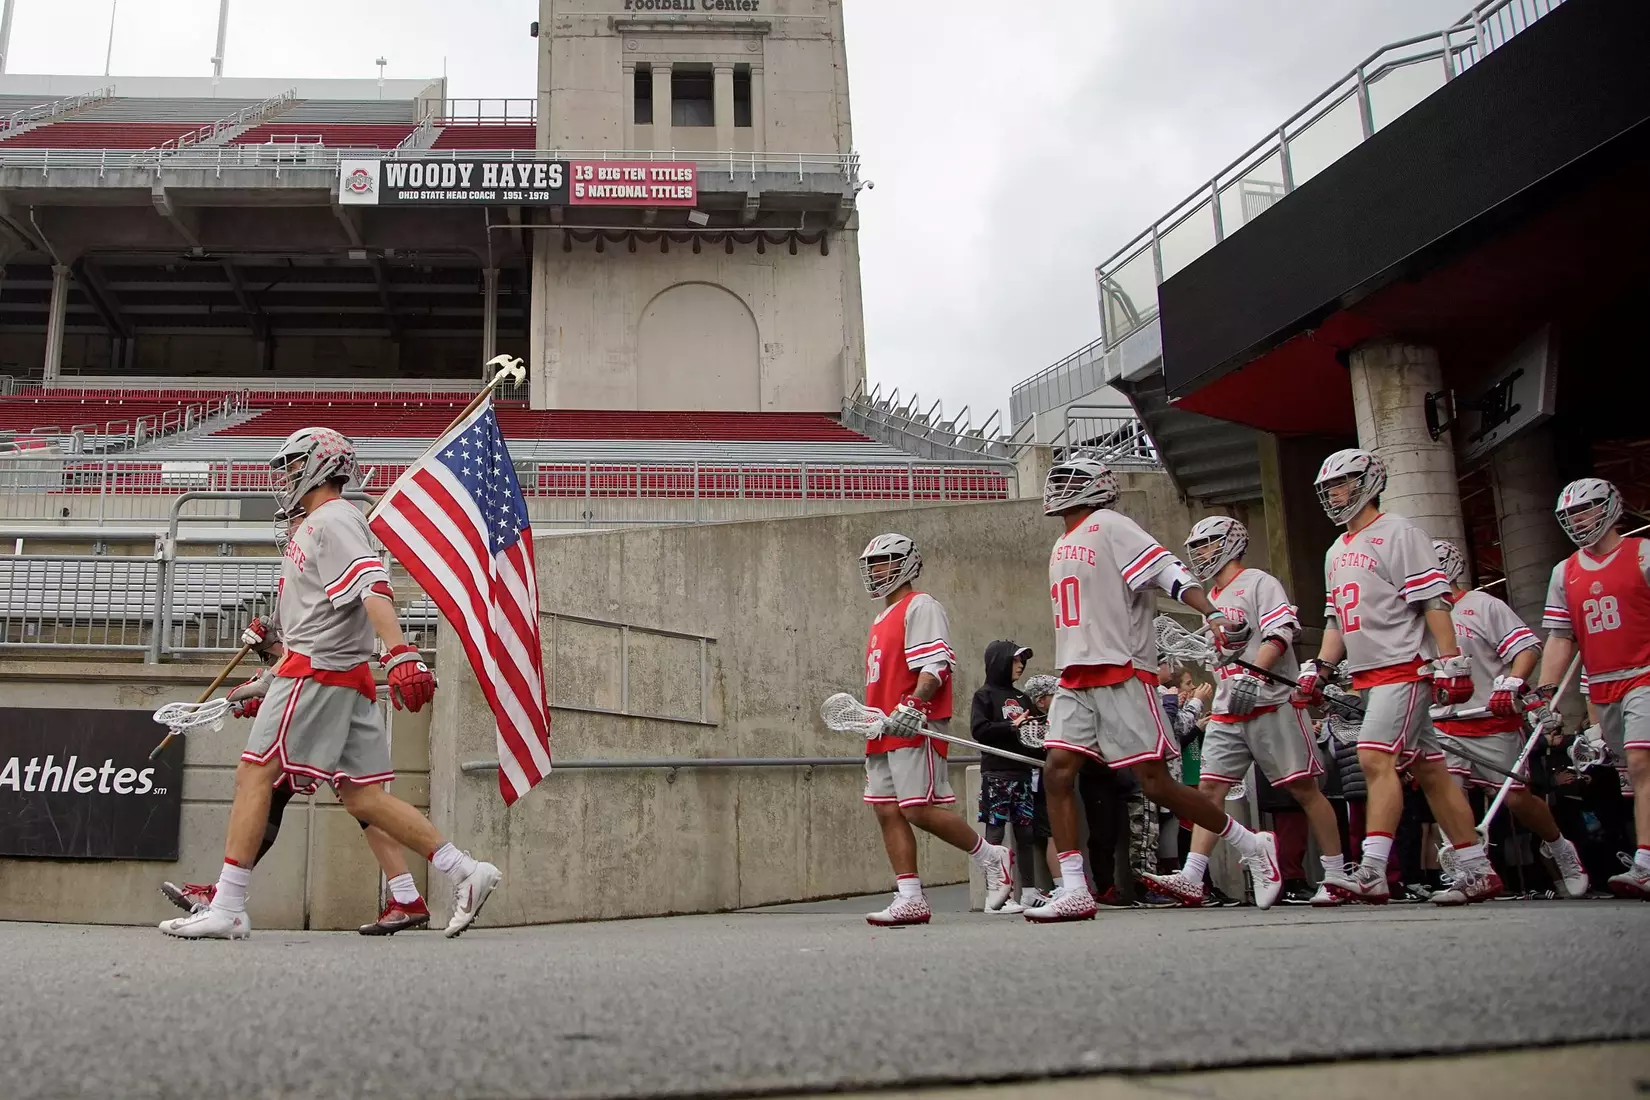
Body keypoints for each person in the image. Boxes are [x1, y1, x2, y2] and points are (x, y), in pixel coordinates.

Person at [159, 427, 500, 940]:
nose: (288, 477)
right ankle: (465, 871)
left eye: (295, 466)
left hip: (320, 672)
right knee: (364, 799)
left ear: (320, 465)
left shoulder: (332, 519)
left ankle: (227, 904)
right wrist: (265, 684)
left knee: (257, 775)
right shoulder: (322, 523)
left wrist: (401, 650)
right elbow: (320, 622)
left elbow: (372, 587)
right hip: (337, 674)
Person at [1027, 454, 1283, 923]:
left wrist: (1212, 611)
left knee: (1156, 784)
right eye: (1058, 478)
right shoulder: (1062, 541)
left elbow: (1169, 570)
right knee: (1057, 774)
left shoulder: (1111, 524)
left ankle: (1251, 844)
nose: (1060, 485)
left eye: (1072, 478)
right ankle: (1075, 886)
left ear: (1098, 486)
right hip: (1074, 673)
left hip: (1122, 670)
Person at [1295, 448, 1501, 906]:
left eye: (1342, 483)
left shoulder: (1399, 531)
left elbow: (1433, 599)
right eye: (1328, 487)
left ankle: (1371, 871)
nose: (1334, 494)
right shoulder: (1335, 550)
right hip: (1369, 674)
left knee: (1373, 757)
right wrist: (1321, 668)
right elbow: (1336, 620)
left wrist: (1451, 660)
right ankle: (1478, 870)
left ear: (1369, 481)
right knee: (1431, 771)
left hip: (1405, 666)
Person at [159, 634, 433, 935]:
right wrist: (269, 656)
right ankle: (412, 893)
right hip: (325, 686)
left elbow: (317, 640)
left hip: (326, 689)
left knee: (282, 787)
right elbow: (300, 642)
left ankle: (226, 895)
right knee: (356, 798)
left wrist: (400, 656)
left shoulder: (322, 589)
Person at [1144, 516, 1352, 907]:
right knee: (1210, 790)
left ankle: (1337, 874)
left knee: (1303, 788)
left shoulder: (1259, 582)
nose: (1201, 552)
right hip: (1228, 708)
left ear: (1231, 543)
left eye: (1208, 544)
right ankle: (1193, 874)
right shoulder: (1213, 598)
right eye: (1198, 546)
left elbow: (1281, 632)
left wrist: (1256, 675)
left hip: (1271, 703)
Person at [858, 533, 1013, 926]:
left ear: (907, 564)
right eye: (873, 564)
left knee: (918, 808)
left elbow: (935, 665)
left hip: (913, 721)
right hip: (882, 725)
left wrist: (915, 704)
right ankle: (910, 895)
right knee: (887, 810)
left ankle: (990, 857)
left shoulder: (920, 605)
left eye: (885, 562)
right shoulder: (880, 617)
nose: (877, 571)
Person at [1429, 538, 1589, 898]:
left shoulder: (1482, 605)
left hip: (1491, 718)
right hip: (1444, 722)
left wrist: (1513, 682)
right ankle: (1472, 869)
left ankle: (1559, 846)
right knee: (1445, 791)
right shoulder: (1416, 617)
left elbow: (1525, 648)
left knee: (1516, 799)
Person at [1537, 478, 1650, 898]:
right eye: (1571, 515)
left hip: (1645, 673)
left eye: (1585, 510)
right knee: (1636, 775)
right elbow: (1561, 636)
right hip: (1604, 687)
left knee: (1642, 764)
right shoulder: (1563, 572)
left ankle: (1645, 864)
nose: (1579, 521)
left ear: (1610, 508)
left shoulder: (1643, 554)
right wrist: (1545, 691)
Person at [970, 641, 1050, 914]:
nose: (1021, 665)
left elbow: (1033, 736)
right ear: (1000, 662)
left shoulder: (1022, 698)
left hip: (1023, 774)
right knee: (995, 833)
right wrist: (1010, 726)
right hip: (996, 774)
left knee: (1025, 833)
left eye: (1022, 661)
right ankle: (995, 897)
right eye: (1015, 660)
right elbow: (979, 730)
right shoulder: (984, 695)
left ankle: (1028, 892)